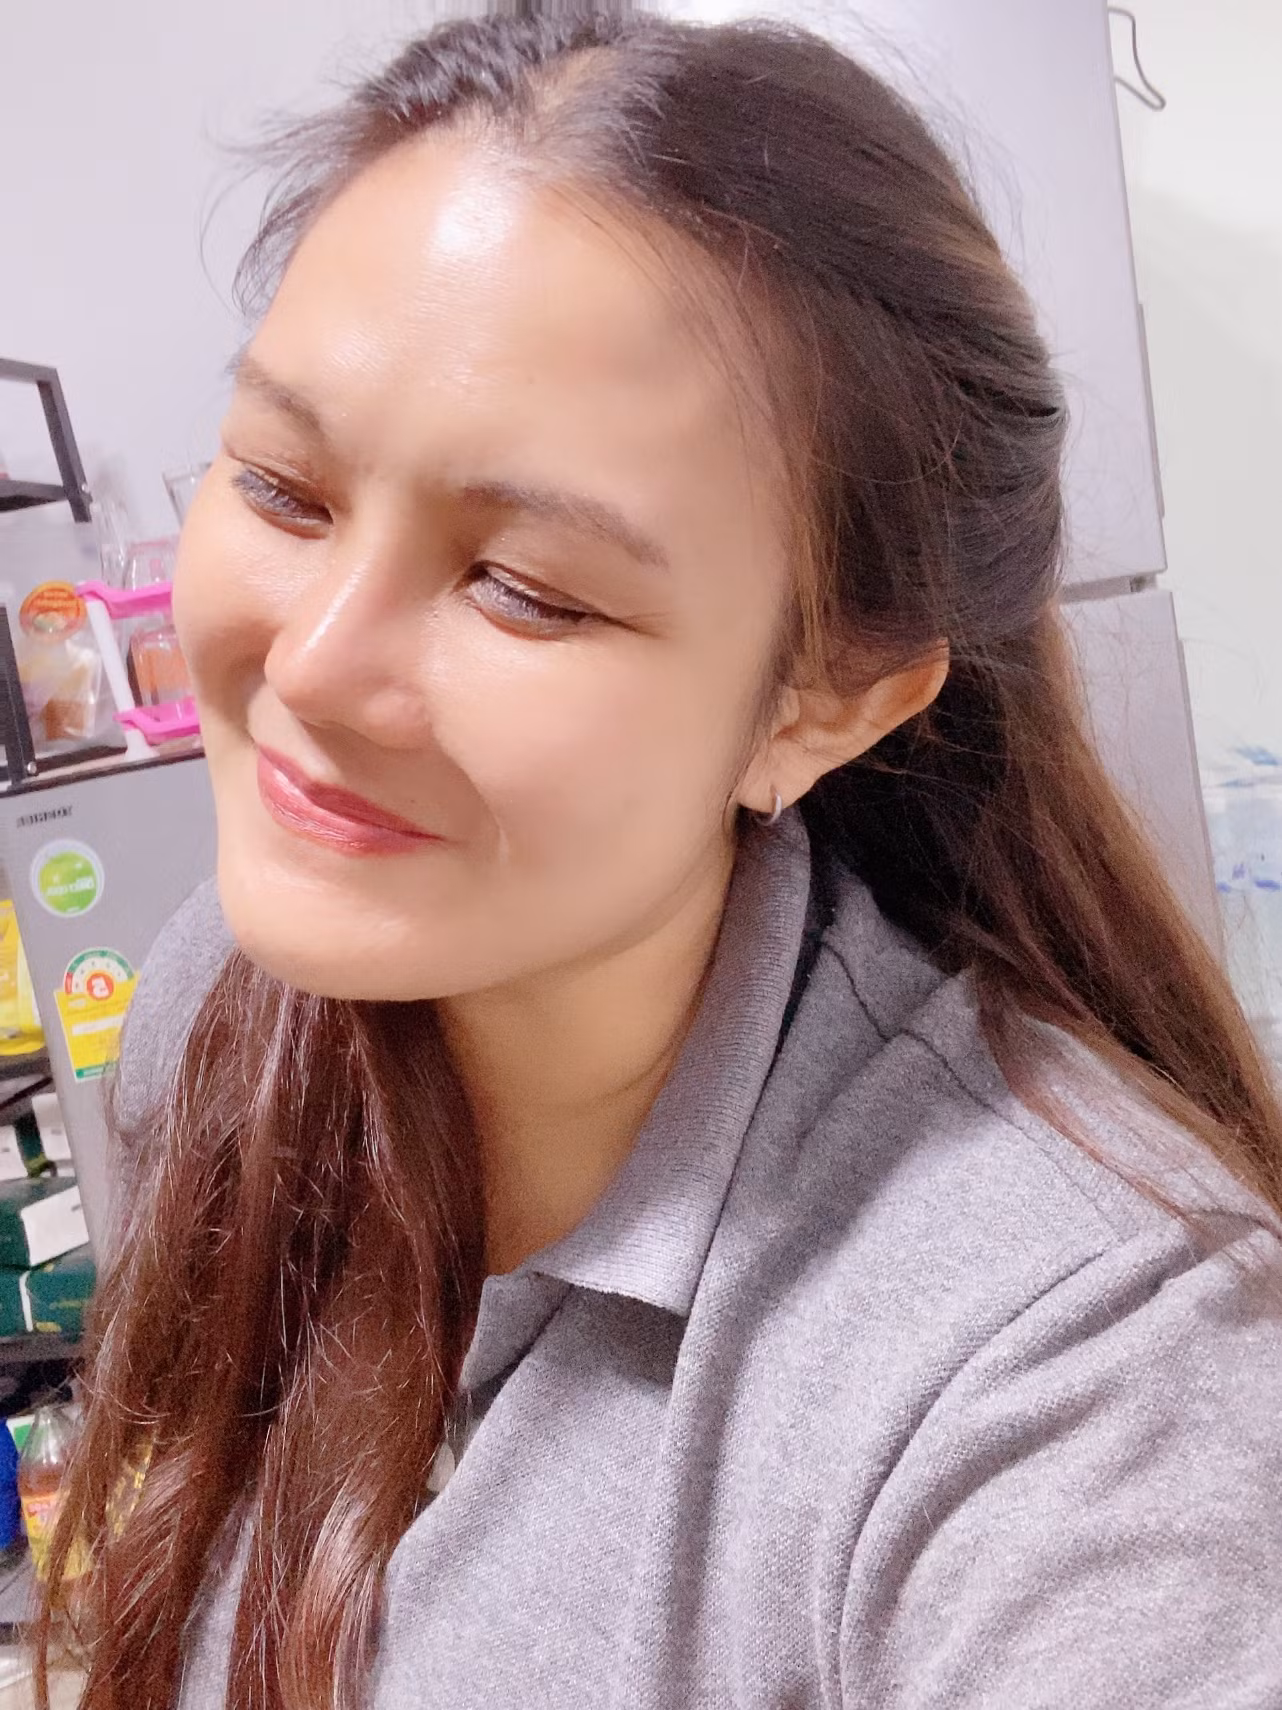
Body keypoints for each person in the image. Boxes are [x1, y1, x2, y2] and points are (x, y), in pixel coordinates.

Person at [40, 11, 1282, 1709]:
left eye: (526, 589)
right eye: (283, 487)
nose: (312, 667)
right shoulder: (229, 1006)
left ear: (825, 704)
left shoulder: (1076, 1373)